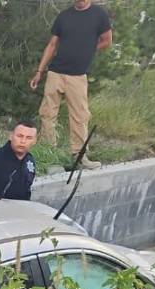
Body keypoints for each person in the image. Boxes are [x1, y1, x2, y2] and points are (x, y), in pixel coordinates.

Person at [28, 0, 112, 171]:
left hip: (78, 76)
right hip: (55, 72)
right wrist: (39, 71)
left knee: (80, 116)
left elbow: (107, 41)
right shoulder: (64, 16)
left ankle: (79, 156)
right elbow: (52, 45)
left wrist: (88, 49)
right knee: (47, 113)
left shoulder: (99, 15)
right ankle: (48, 153)